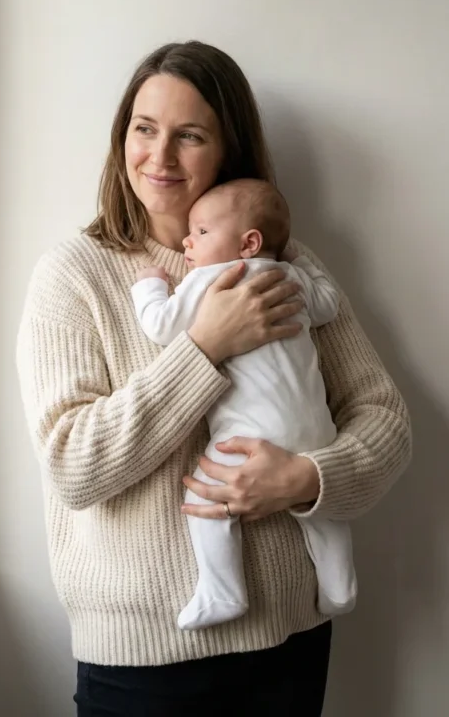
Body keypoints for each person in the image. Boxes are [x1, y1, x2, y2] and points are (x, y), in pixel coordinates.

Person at [17, 41, 411, 717]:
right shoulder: (74, 274)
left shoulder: (285, 265)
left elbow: (385, 419)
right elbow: (73, 465)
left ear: (227, 149)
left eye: (189, 135)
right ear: (122, 138)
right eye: (144, 129)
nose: (160, 156)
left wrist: (308, 479)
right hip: (142, 659)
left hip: (288, 640)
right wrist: (205, 345)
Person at [131, 177, 356, 633]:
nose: (187, 241)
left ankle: (223, 589)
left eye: (202, 232)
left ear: (248, 243)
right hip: (316, 430)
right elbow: (329, 304)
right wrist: (300, 262)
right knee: (321, 510)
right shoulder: (290, 278)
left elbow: (161, 326)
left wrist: (150, 287)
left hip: (250, 437)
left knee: (205, 497)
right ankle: (339, 584)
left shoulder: (210, 278)